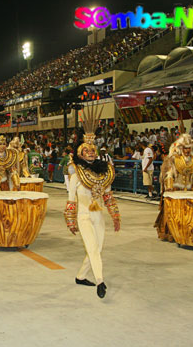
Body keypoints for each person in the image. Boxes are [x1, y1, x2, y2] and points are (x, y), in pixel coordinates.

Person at [64, 105, 120, 299]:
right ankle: (100, 281)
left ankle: (81, 276)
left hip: (99, 216)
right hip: (84, 216)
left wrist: (115, 215)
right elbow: (71, 201)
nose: (90, 152)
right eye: (86, 150)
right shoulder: (76, 176)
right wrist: (71, 220)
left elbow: (108, 196)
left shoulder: (102, 173)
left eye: (93, 150)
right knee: (93, 249)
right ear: (80, 152)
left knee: (96, 248)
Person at [154, 134, 193, 242]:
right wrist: (169, 187)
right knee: (173, 214)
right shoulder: (174, 159)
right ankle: (170, 233)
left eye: (189, 148)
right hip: (176, 190)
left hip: (188, 191)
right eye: (185, 148)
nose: (187, 150)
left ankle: (184, 234)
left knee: (187, 215)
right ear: (181, 148)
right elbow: (169, 174)